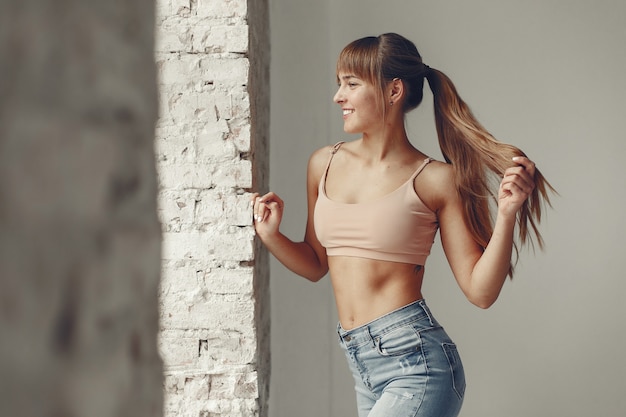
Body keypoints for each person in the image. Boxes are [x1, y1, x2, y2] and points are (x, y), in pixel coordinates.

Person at [251, 33, 554, 417]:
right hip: (362, 366)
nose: (338, 97)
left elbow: (480, 292)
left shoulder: (434, 179)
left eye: (351, 83)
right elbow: (315, 263)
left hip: (418, 365)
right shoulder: (322, 164)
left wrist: (508, 213)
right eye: (338, 83)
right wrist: (271, 236)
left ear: (393, 90)